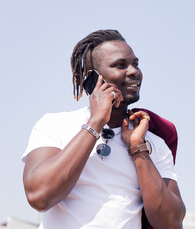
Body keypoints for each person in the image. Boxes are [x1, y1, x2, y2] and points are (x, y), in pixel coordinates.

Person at [22, 29, 186, 229]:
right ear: (94, 78)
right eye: (120, 65)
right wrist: (96, 122)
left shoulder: (153, 142)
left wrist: (137, 148)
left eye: (135, 63)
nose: (134, 71)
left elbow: (171, 223)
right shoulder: (54, 125)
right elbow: (39, 197)